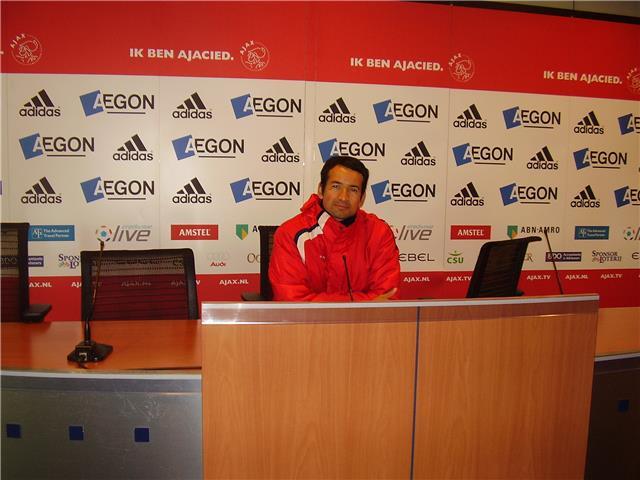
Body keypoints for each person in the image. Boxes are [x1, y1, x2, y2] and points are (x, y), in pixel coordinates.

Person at [269, 155, 400, 301]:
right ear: (321, 189)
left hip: (365, 323)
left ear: (362, 198)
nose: (343, 197)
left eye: (353, 190)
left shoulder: (379, 232)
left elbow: (387, 297)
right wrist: (361, 303)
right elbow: (293, 301)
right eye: (336, 186)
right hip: (306, 323)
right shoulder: (291, 233)